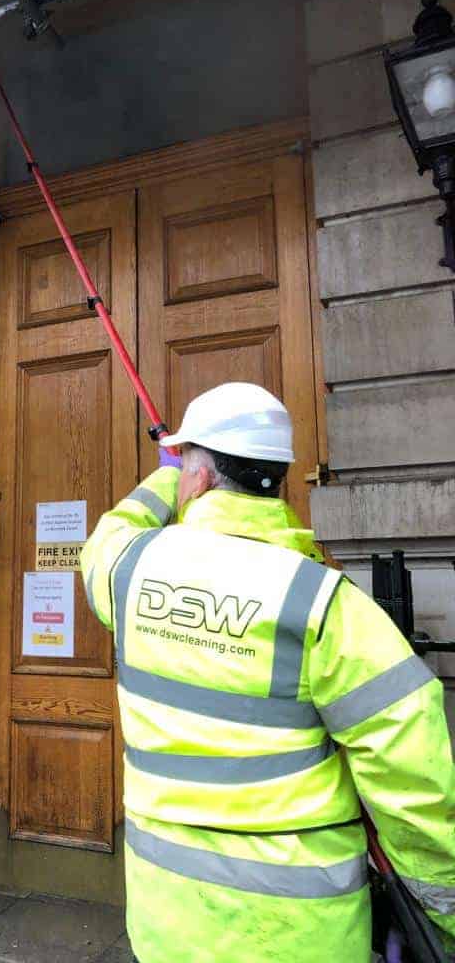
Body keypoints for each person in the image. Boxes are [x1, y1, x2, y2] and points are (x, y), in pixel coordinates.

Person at [80, 382, 455, 963]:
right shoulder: (326, 602)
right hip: (302, 933)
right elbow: (415, 786)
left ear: (199, 478)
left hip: (168, 923)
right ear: (277, 478)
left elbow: (106, 538)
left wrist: (164, 478)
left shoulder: (133, 570)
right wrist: (443, 921)